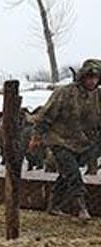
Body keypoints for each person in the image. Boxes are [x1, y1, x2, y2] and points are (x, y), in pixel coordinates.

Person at [30, 59, 101, 218]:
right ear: (82, 77)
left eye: (96, 78)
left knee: (66, 173)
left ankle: (54, 205)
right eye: (89, 77)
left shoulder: (98, 96)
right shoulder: (65, 93)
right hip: (60, 140)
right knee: (73, 173)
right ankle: (81, 207)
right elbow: (45, 116)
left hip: (83, 142)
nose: (92, 81)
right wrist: (36, 137)